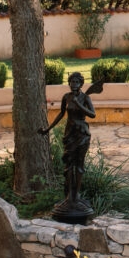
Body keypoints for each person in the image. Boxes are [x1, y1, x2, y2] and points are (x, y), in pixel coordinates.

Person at [39, 72, 95, 207]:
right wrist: (48, 129)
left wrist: (79, 104)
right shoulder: (66, 97)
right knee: (68, 164)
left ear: (81, 84)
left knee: (79, 165)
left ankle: (77, 195)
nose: (73, 85)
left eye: (76, 82)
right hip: (70, 133)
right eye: (71, 82)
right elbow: (61, 114)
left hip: (81, 133)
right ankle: (69, 196)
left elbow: (92, 114)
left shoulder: (86, 98)